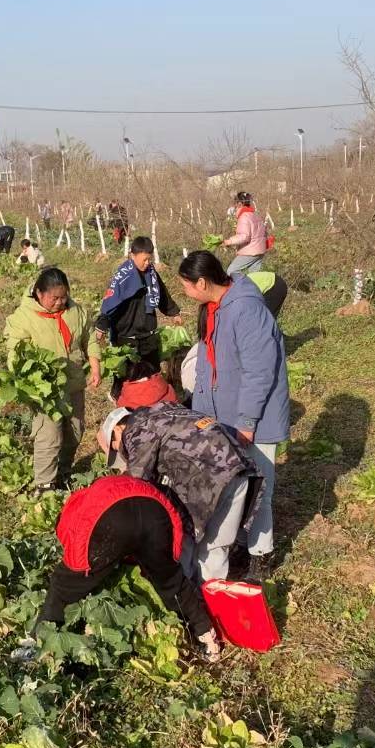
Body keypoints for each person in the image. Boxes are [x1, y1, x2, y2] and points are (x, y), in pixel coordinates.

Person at [14, 474, 221, 664]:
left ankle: (37, 642)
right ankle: (207, 638)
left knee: (63, 583)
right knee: (171, 581)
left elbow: (77, 549)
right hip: (155, 511)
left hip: (112, 517)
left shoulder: (73, 510)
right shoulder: (100, 487)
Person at [177, 251, 289, 580]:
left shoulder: (246, 310)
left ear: (202, 282)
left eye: (186, 285)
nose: (184, 292)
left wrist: (247, 423)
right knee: (237, 486)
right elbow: (210, 367)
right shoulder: (216, 309)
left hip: (256, 417)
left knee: (259, 487)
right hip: (226, 415)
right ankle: (243, 541)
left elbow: (259, 372)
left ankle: (261, 556)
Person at [101, 402, 263, 587]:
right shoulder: (164, 409)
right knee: (217, 546)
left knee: (183, 538)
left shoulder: (136, 428)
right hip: (237, 467)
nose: (121, 453)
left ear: (118, 429)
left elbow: (136, 483)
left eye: (115, 447)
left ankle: (187, 600)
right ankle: (211, 601)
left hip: (207, 479)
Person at [2, 267, 101, 491]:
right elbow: (15, 354)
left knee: (75, 431)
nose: (59, 302)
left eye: (63, 296)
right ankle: (45, 484)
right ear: (39, 293)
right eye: (54, 298)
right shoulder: (23, 317)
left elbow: (89, 337)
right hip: (44, 389)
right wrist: (31, 375)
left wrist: (95, 364)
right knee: (50, 434)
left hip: (74, 382)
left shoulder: (75, 311)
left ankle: (63, 473)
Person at [97, 235, 180, 379]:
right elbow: (110, 302)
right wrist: (101, 326)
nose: (147, 263)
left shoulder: (151, 274)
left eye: (150, 259)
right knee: (128, 376)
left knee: (152, 373)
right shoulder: (123, 276)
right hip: (126, 336)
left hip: (148, 333)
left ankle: (151, 399)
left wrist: (174, 312)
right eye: (144, 260)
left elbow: (162, 293)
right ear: (132, 255)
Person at [222, 191, 268, 275]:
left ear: (239, 204)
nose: (234, 207)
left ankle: (240, 287)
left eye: (235, 204)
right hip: (260, 250)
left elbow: (244, 236)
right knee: (254, 278)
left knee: (231, 272)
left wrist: (229, 241)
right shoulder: (255, 215)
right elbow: (264, 232)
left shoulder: (244, 217)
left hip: (250, 252)